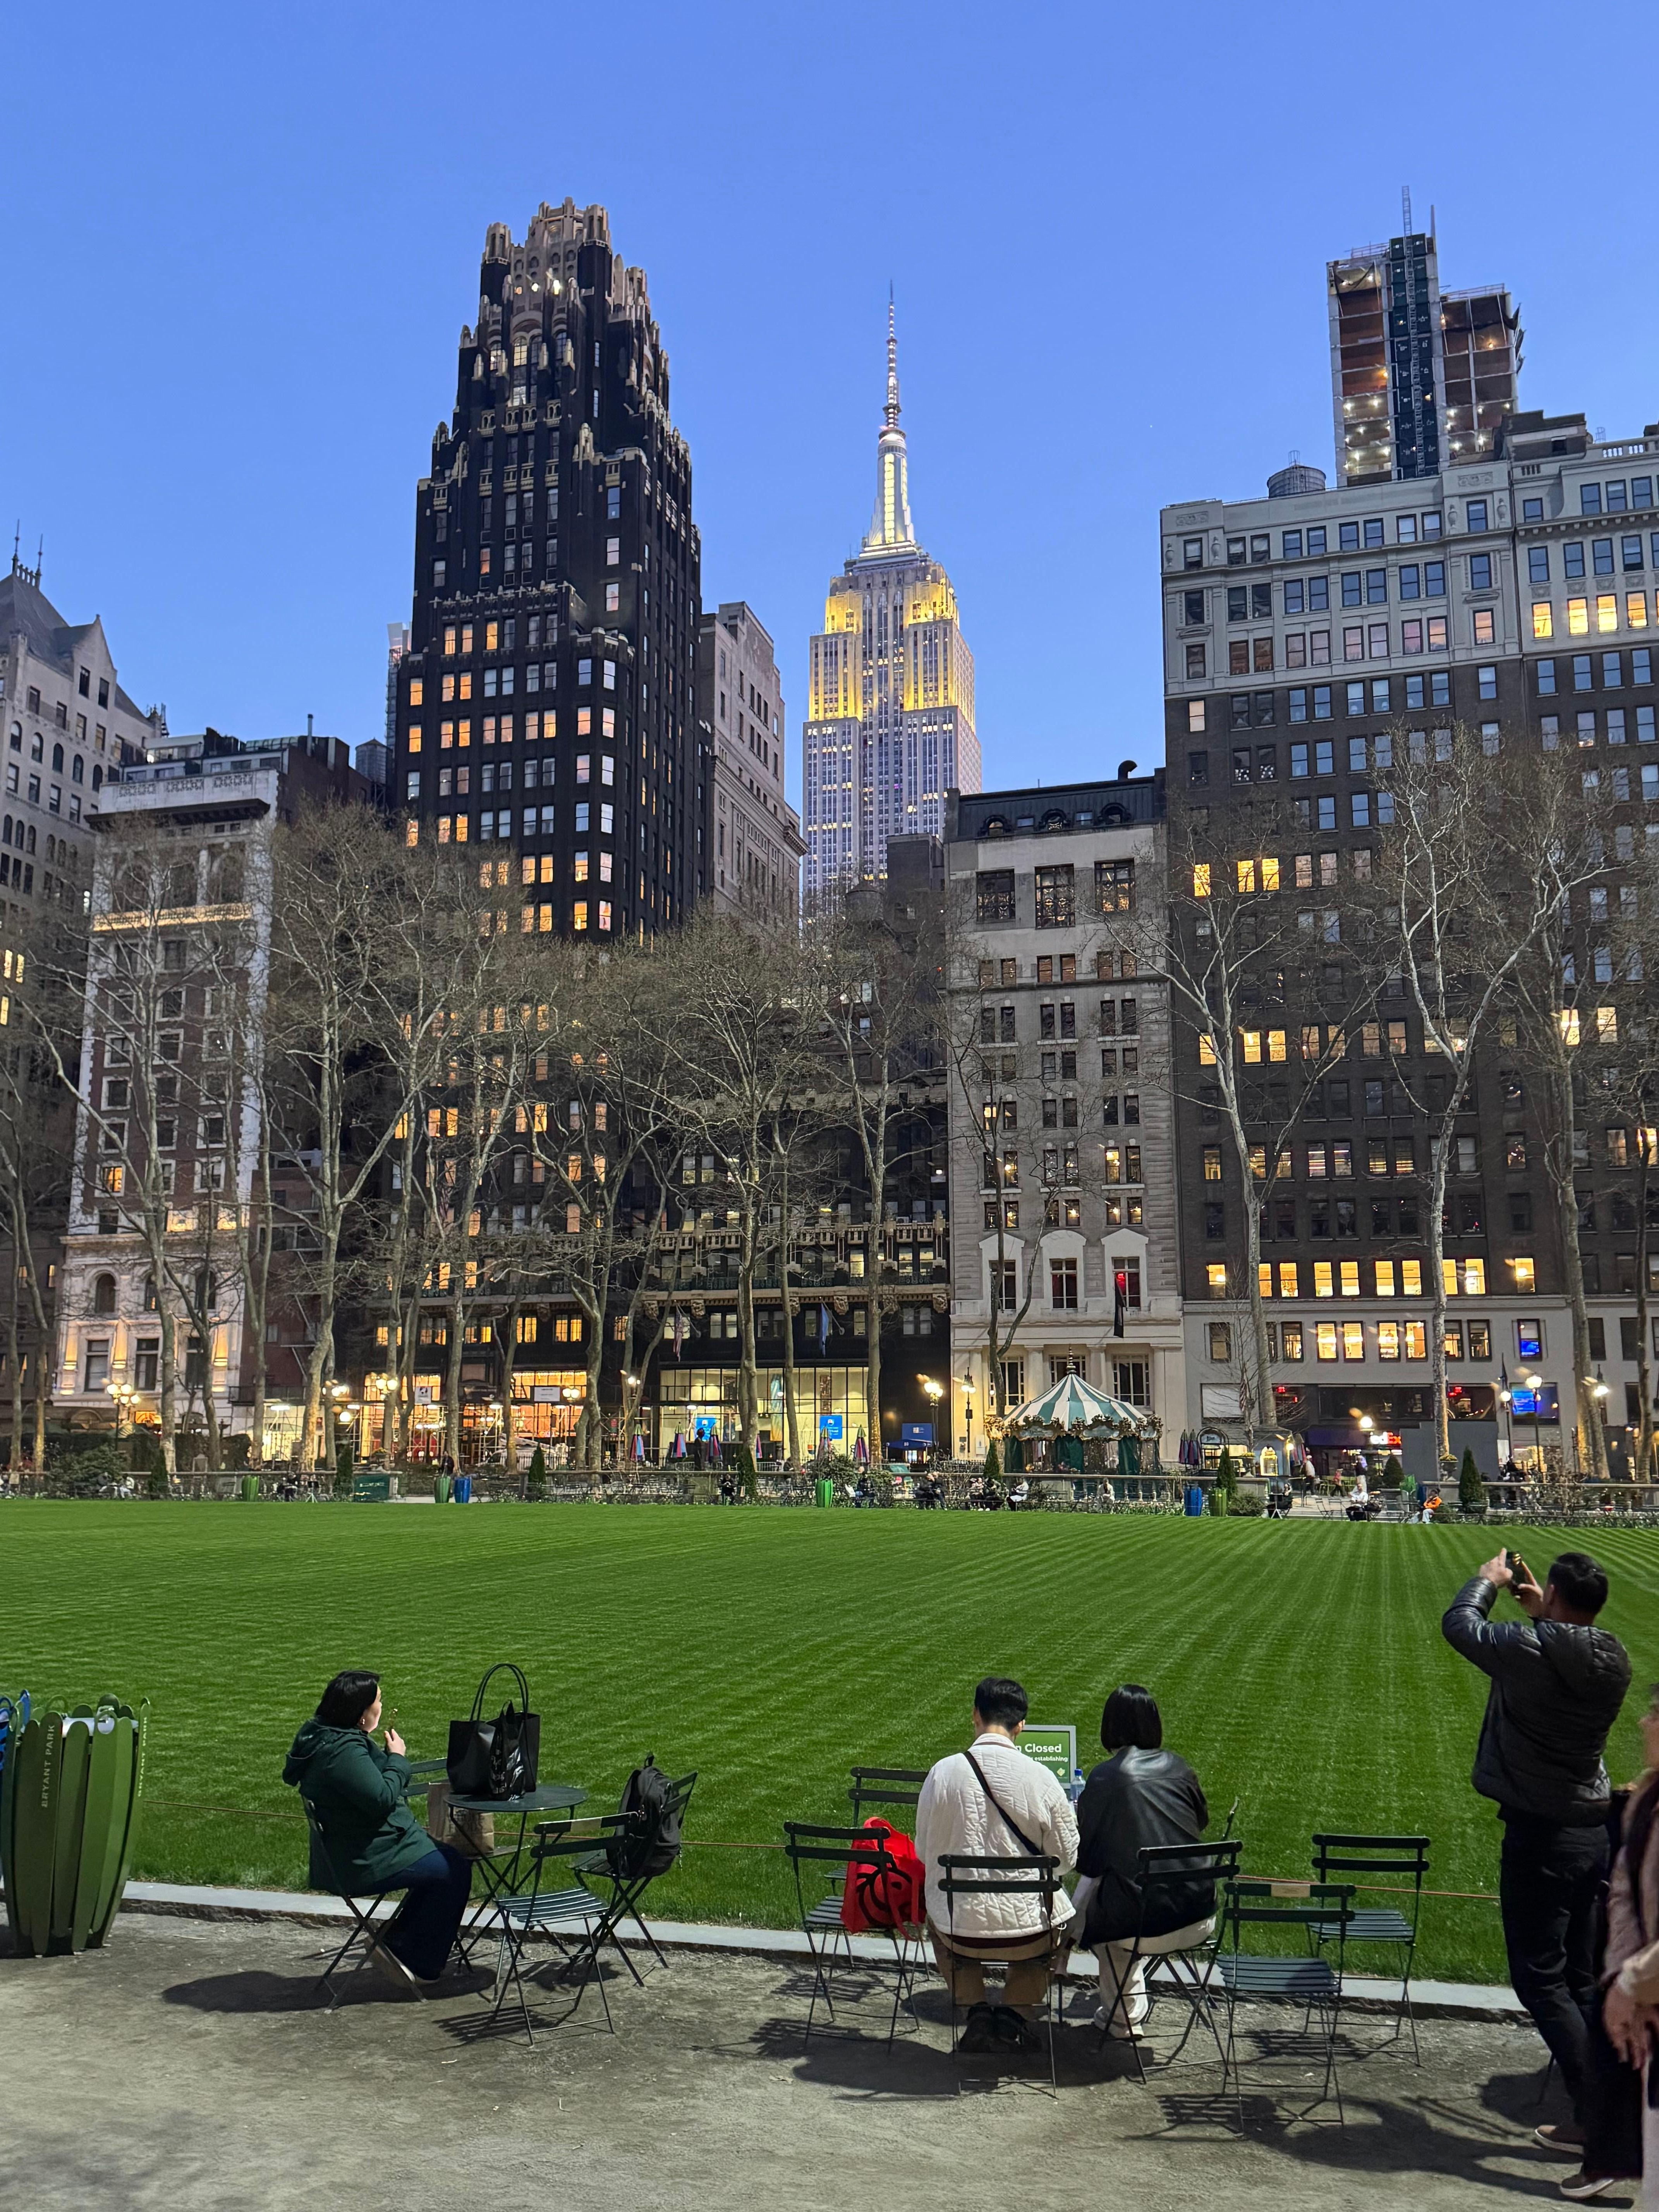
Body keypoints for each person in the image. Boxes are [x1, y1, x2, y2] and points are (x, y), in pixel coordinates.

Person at [1442, 1553, 1632, 2148]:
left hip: (1540, 1832)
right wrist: (1547, 1619)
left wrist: (1489, 1582)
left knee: (1541, 1982)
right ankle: (1612, 2105)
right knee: (1579, 1979)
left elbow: (1461, 1627)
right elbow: (1567, 1651)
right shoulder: (1613, 1658)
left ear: (1551, 1592)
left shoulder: (1528, 1651)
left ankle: (1601, 2116)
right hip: (1590, 1829)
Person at [914, 1676, 1079, 2053]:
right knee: (1059, 1924)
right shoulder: (1043, 1779)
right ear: (1021, 1725)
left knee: (936, 1917)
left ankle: (976, 2012)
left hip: (958, 1930)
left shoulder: (942, 1773)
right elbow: (1066, 1860)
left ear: (975, 1715)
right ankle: (1013, 2016)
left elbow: (925, 1852)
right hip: (1029, 1936)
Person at [282, 1669, 474, 1989]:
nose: (382, 1709)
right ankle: (416, 1959)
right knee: (454, 1870)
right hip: (365, 1860)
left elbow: (367, 1788)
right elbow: (382, 1798)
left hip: (359, 1847)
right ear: (361, 1714)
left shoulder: (323, 1736)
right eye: (379, 1703)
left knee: (445, 1863)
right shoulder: (343, 1752)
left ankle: (400, 1940)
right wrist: (398, 1759)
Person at [1073, 1685, 1213, 2043]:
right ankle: (1126, 2008)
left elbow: (1086, 1863)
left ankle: (1123, 2019)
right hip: (1200, 1915)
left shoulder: (1106, 1777)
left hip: (1143, 1925)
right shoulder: (1181, 1768)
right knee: (1124, 1893)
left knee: (1095, 1908)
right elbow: (1197, 1824)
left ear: (1109, 1726)